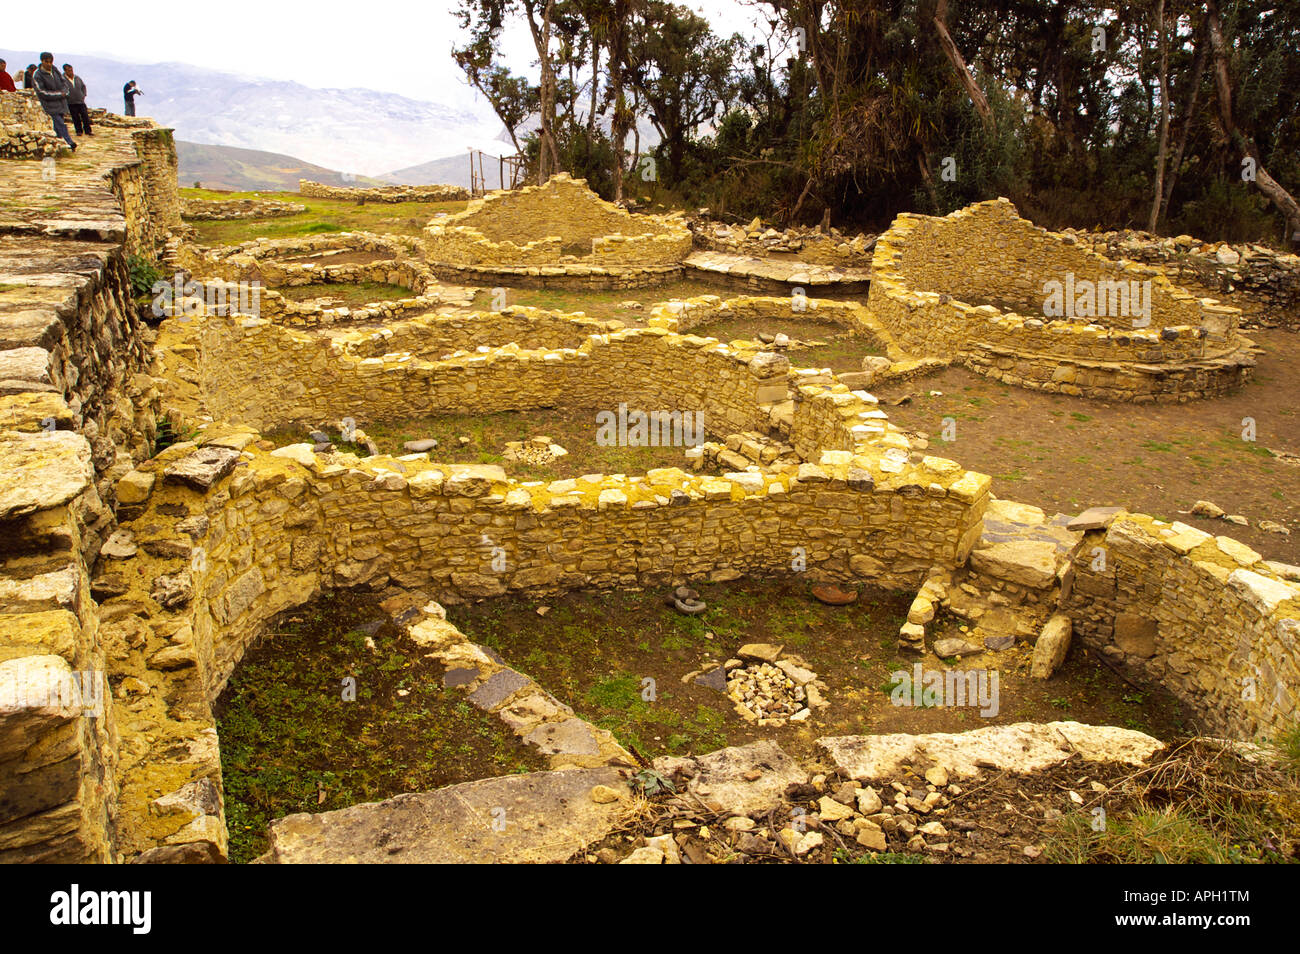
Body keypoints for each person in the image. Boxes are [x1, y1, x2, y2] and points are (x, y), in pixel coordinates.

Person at [32, 53, 76, 151]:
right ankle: (70, 142)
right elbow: (41, 92)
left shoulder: (55, 71)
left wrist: (64, 92)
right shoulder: (38, 75)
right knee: (60, 124)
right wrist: (59, 95)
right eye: (46, 62)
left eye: (50, 62)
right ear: (42, 61)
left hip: (61, 104)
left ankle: (59, 143)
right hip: (49, 105)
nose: (49, 64)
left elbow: (64, 83)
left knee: (58, 126)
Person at [63, 64, 91, 135]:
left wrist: (84, 95)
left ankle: (88, 131)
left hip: (80, 101)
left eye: (71, 70)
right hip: (71, 102)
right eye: (69, 70)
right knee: (75, 117)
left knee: (85, 116)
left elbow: (83, 86)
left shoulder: (77, 78)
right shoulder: (62, 79)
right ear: (65, 71)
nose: (71, 72)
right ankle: (79, 131)